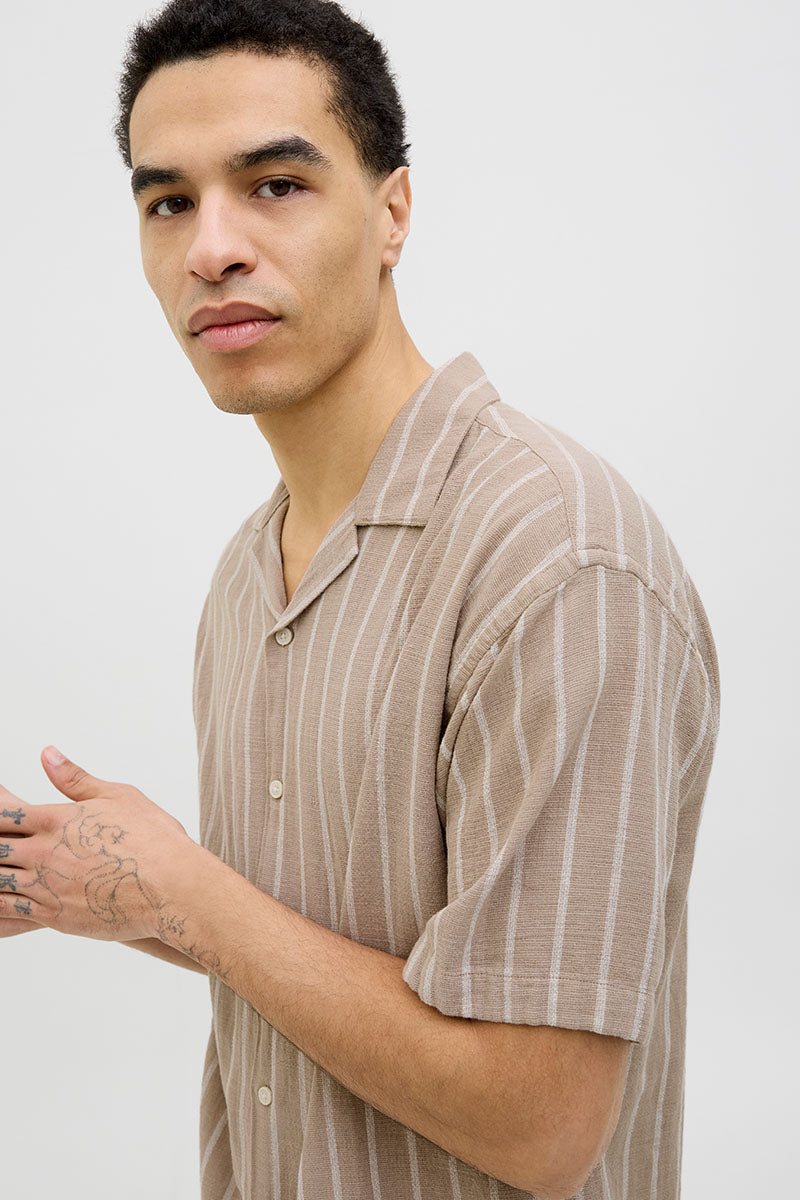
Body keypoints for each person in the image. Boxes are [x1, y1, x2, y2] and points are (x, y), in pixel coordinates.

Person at [7, 1, 721, 1197]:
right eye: (167, 201)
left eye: (274, 185)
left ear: (392, 212)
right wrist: (106, 885)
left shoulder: (557, 559)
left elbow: (539, 1121)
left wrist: (184, 887)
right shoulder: (248, 573)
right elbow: (334, 958)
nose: (210, 249)